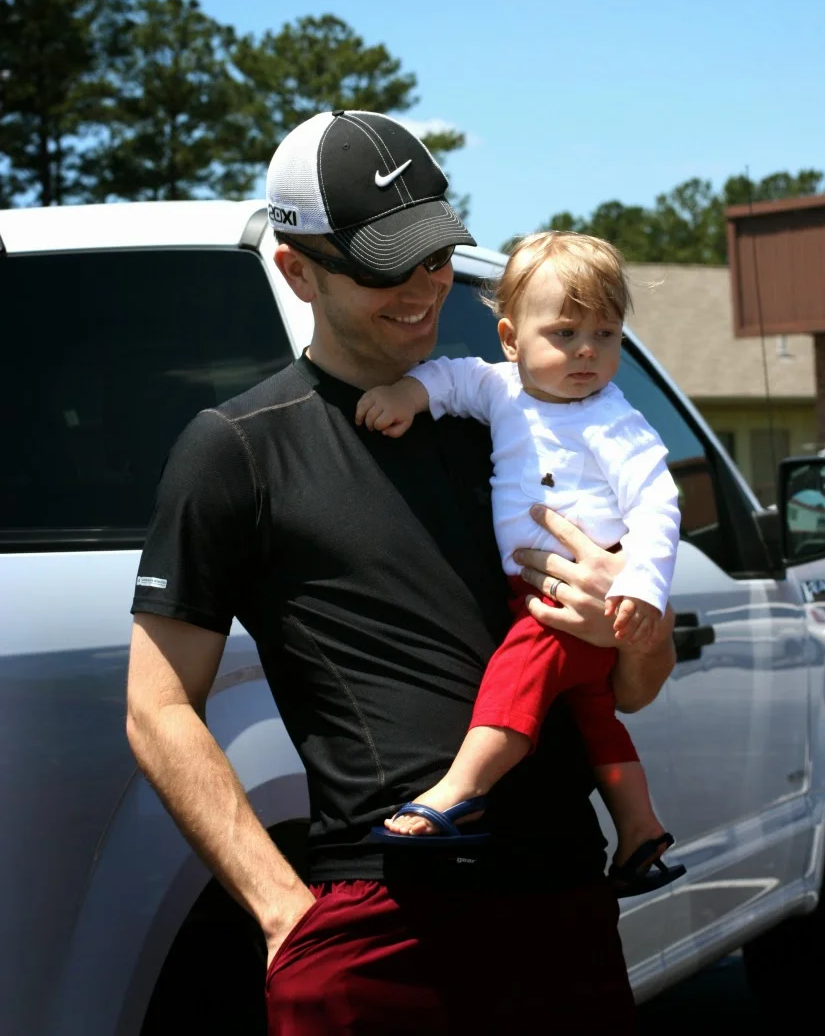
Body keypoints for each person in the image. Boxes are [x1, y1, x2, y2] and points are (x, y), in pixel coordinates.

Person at [126, 110, 675, 1035]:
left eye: (434, 255)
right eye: (385, 266)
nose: (424, 287)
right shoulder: (237, 450)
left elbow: (635, 686)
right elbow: (156, 704)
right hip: (383, 925)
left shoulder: (511, 419)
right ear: (296, 270)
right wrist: (282, 914)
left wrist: (624, 627)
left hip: (564, 913)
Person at [357, 230, 685, 894]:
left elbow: (657, 504)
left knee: (518, 672)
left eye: (605, 334)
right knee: (595, 723)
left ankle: (461, 788)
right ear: (510, 338)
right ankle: (640, 830)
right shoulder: (501, 389)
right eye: (565, 333)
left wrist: (641, 587)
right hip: (539, 590)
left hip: (577, 598)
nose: (587, 350)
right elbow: (450, 378)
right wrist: (406, 397)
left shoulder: (612, 421)